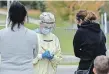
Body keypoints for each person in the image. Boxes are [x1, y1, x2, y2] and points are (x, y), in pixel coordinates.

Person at [0, 1, 38, 74]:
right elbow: (34, 54)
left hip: (6, 71)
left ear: (9, 16)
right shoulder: (32, 35)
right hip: (26, 71)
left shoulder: (1, 34)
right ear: (24, 17)